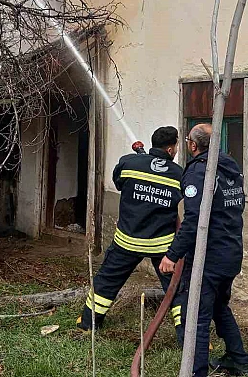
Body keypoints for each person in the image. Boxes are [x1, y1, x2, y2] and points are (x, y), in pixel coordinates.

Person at [159, 123, 248, 376]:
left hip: (209, 258)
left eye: (187, 140)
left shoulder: (201, 172)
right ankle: (237, 358)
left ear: (192, 145)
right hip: (231, 252)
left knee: (195, 317)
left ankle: (196, 371)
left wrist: (171, 255)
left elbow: (194, 220)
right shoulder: (230, 167)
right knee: (220, 307)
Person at [77, 126, 184, 336]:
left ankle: (88, 322)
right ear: (171, 149)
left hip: (127, 240)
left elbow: (119, 184)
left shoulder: (128, 163)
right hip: (161, 245)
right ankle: (188, 336)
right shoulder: (179, 174)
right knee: (177, 288)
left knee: (107, 281)